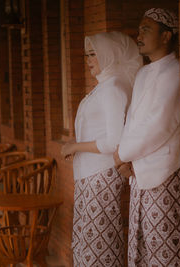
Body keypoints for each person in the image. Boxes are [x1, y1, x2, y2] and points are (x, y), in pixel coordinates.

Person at [61, 31, 142, 267]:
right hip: (89, 176)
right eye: (87, 55)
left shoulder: (113, 87)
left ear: (109, 54)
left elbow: (113, 142)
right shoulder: (103, 86)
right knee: (86, 242)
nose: (88, 60)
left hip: (101, 177)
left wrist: (74, 146)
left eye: (93, 54)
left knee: (98, 243)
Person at [113, 8, 180, 267]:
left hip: (162, 175)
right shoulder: (144, 73)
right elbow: (132, 121)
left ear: (166, 36)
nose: (138, 35)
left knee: (161, 245)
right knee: (141, 245)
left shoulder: (175, 72)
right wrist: (124, 158)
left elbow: (157, 125)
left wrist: (122, 154)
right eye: (139, 29)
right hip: (139, 172)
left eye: (146, 29)